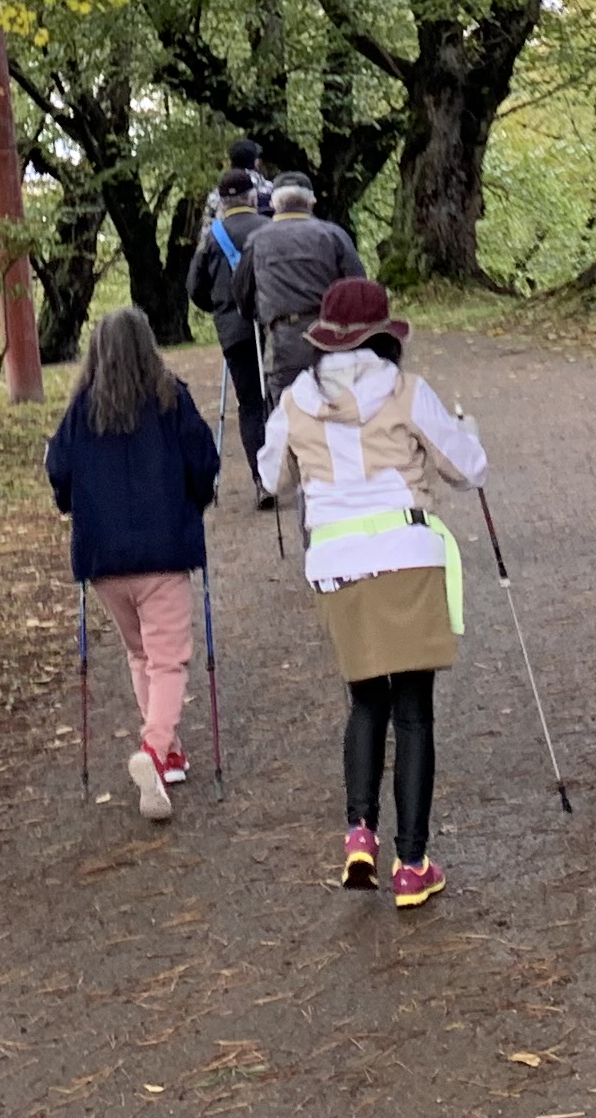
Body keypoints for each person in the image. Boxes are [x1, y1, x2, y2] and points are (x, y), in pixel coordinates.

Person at [258, 276, 484, 909]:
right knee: (413, 713)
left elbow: (270, 479)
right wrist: (467, 427)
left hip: (335, 561)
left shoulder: (295, 401)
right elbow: (468, 469)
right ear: (383, 335)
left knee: (365, 703)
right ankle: (412, 864)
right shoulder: (406, 392)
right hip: (405, 552)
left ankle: (360, 833)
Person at [45, 307, 222, 821]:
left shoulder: (81, 410)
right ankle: (153, 749)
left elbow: (59, 471)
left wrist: (72, 503)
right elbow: (204, 463)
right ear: (148, 346)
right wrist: (197, 499)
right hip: (163, 553)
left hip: (103, 562)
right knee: (168, 659)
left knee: (141, 654)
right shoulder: (171, 399)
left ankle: (165, 750)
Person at [185, 170, 274, 501]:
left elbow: (195, 288)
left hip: (233, 330)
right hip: (271, 324)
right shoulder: (270, 229)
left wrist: (220, 309)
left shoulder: (211, 237)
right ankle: (294, 470)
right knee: (281, 397)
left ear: (221, 202)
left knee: (249, 403)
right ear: (253, 198)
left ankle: (262, 480)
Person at [244, 176, 365, 401]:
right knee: (339, 417)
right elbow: (358, 290)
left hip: (282, 346)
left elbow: (242, 294)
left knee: (287, 420)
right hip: (333, 341)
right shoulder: (334, 235)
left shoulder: (256, 241)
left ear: (273, 205)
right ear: (311, 203)